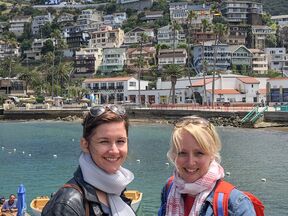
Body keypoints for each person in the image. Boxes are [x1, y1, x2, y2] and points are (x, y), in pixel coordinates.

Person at [42, 104, 135, 216]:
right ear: (85, 145)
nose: (114, 150)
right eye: (104, 141)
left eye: (120, 141)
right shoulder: (66, 204)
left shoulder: (116, 189)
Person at [158, 116, 256, 216]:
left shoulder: (236, 205)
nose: (191, 162)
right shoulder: (169, 187)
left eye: (199, 153)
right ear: (174, 154)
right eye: (182, 153)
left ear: (212, 154)